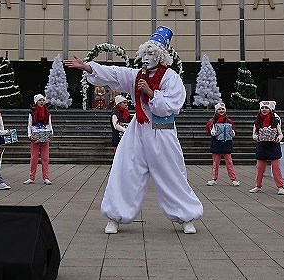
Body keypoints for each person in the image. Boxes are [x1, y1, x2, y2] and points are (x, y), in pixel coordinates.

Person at [65, 25, 204, 235]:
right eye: (144, 53)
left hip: (162, 132)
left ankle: (186, 217)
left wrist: (150, 93)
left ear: (161, 56)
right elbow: (116, 74)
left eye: (151, 54)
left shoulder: (171, 77)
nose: (146, 58)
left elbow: (172, 105)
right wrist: (89, 68)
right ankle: (115, 216)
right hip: (138, 129)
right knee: (124, 169)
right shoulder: (137, 75)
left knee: (171, 173)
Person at [249, 100, 284, 195]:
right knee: (260, 167)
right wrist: (257, 137)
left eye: (266, 108)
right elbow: (254, 134)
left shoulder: (275, 121)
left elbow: (280, 134)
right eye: (262, 108)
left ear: (270, 109)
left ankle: (280, 187)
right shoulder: (257, 121)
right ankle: (258, 186)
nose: (264, 109)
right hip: (262, 146)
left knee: (276, 167)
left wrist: (278, 139)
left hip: (273, 145)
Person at [205, 102, 239, 186]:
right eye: (219, 109)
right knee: (215, 163)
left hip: (227, 144)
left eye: (222, 109)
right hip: (216, 144)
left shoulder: (229, 121)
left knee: (229, 163)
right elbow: (210, 131)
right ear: (216, 111)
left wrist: (232, 133)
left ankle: (233, 179)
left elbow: (233, 132)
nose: (221, 111)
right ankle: (214, 178)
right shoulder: (212, 121)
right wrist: (214, 133)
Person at [24, 94, 54, 184]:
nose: (42, 102)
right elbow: (29, 125)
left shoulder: (47, 112)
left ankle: (46, 177)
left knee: (45, 158)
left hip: (45, 137)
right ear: (36, 102)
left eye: (43, 100)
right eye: (40, 100)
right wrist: (29, 135)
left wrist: (51, 133)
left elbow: (49, 124)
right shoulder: (32, 112)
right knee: (34, 158)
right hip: (35, 138)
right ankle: (31, 177)